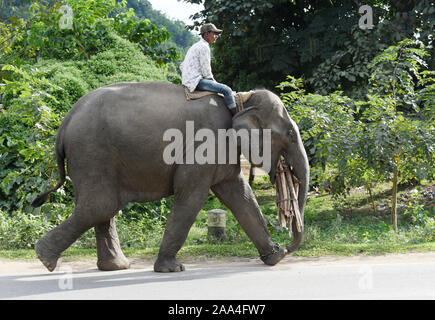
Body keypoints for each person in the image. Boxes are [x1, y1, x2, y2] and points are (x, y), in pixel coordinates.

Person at [180, 23, 237, 115]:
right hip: (196, 81)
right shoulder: (204, 47)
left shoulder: (195, 46)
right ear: (206, 34)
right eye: (214, 34)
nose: (216, 36)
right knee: (227, 90)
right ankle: (236, 116)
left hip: (188, 80)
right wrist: (214, 82)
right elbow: (206, 71)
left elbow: (182, 66)